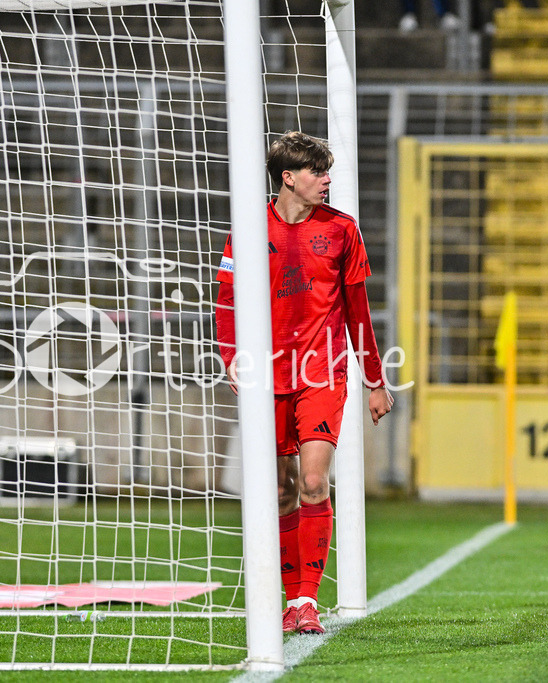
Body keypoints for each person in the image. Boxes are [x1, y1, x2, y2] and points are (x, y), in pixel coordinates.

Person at [214, 132, 393, 635]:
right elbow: (226, 301)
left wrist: (375, 380)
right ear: (288, 177)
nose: (327, 179)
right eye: (317, 172)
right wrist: (231, 357)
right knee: (280, 489)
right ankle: (287, 594)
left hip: (323, 371)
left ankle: (305, 602)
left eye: (327, 171)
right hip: (266, 374)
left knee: (314, 481)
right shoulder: (248, 230)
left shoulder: (342, 230)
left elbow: (358, 310)